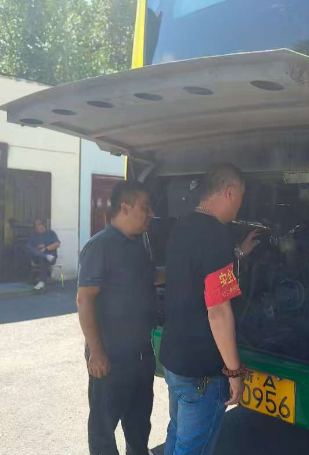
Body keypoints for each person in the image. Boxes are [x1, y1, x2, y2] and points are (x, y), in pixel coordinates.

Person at [160, 163, 261, 455]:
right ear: (229, 192)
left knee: (177, 435)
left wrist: (238, 253)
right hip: (201, 370)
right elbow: (218, 311)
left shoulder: (182, 226)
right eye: (240, 198)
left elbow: (196, 271)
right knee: (192, 449)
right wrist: (234, 371)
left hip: (174, 359)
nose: (240, 206)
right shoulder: (216, 234)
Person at [76, 182, 161, 455]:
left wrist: (188, 268)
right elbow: (85, 300)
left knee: (139, 426)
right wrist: (96, 353)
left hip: (141, 356)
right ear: (125, 208)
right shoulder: (99, 246)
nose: (151, 214)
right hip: (110, 358)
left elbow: (151, 277)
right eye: (145, 208)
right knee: (103, 430)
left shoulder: (139, 244)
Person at [27, 218, 60, 290]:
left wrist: (46, 249)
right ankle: (46, 256)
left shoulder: (51, 233)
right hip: (37, 257)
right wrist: (38, 247)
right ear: (35, 227)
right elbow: (29, 248)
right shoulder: (33, 235)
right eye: (38, 225)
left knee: (43, 259)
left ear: (44, 225)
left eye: (41, 224)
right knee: (32, 249)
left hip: (51, 257)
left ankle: (42, 282)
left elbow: (57, 244)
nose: (40, 226)